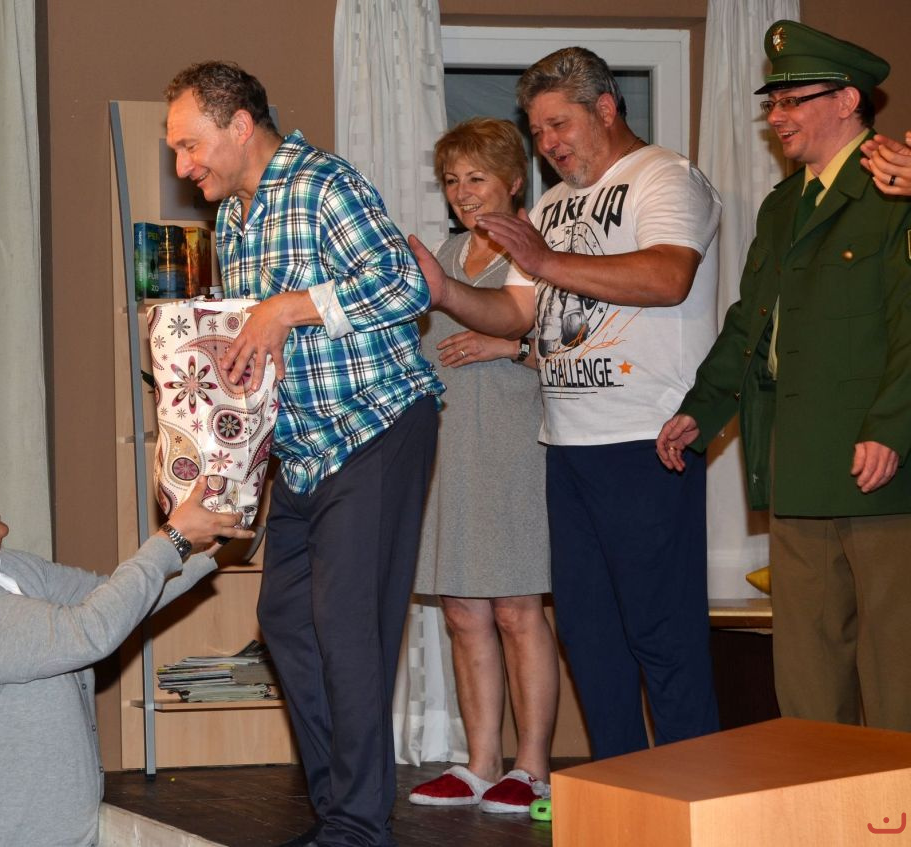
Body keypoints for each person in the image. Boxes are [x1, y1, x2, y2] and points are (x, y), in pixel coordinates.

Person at [410, 46, 722, 761]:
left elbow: (669, 275)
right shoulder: (551, 205)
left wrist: (546, 261)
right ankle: (616, 792)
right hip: (565, 444)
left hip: (648, 439)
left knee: (662, 635)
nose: (547, 143)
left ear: (605, 109)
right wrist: (446, 291)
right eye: (538, 130)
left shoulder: (664, 177)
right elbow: (517, 313)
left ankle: (693, 797)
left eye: (558, 125)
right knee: (589, 637)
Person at [165, 62, 442, 846]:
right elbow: (258, 349)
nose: (183, 167)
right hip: (303, 450)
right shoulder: (232, 219)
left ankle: (357, 823)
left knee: (346, 624)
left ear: (239, 125)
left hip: (375, 426)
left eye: (189, 145)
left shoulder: (323, 185)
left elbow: (405, 285)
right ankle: (339, 812)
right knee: (286, 619)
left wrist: (291, 307)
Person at [658, 21, 911, 732]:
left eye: (793, 100)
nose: (777, 116)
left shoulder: (896, 191)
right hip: (797, 460)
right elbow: (752, 322)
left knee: (896, 668)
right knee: (807, 669)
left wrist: (890, 428)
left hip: (879, 463)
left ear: (848, 101)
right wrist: (703, 409)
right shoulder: (784, 204)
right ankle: (820, 799)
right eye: (773, 103)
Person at [0, 444, 250, 847]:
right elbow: (88, 631)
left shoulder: (5, 569)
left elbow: (116, 600)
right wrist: (171, 538)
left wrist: (212, 548)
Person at [405, 118, 558, 814]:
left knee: (518, 609)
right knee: (464, 612)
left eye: (477, 178)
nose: (463, 193)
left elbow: (582, 347)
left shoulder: (540, 251)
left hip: (516, 448)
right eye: (452, 180)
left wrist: (513, 348)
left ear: (514, 181)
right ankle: (480, 762)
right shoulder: (441, 254)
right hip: (449, 449)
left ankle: (531, 769)